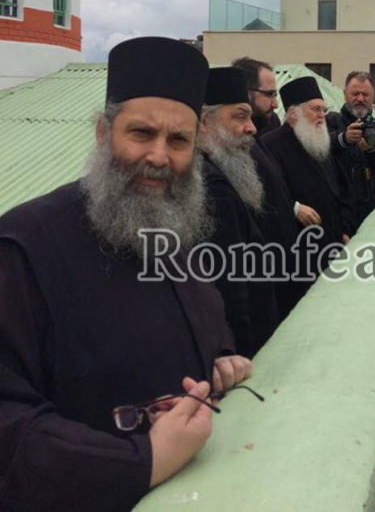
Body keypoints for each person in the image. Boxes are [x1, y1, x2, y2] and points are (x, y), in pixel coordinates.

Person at [0, 37, 252, 512]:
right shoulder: (24, 246)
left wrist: (218, 357)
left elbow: (203, 314)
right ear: (103, 133)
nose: (159, 156)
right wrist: (142, 460)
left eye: (178, 141)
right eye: (141, 133)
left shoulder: (170, 226)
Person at [199, 67, 280, 357]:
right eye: (240, 116)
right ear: (204, 122)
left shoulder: (221, 171)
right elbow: (231, 294)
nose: (252, 128)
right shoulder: (213, 188)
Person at [262, 76, 355, 294]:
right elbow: (265, 195)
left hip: (332, 246)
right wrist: (293, 208)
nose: (322, 115)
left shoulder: (320, 141)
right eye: (315, 109)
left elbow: (343, 190)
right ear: (293, 113)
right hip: (298, 256)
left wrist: (345, 228)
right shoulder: (270, 145)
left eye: (324, 109)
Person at [230, 56, 301, 316]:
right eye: (269, 94)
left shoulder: (262, 131)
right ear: (247, 93)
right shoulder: (232, 148)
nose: (276, 103)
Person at [326, 70, 375, 228]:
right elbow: (312, 151)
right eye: (355, 94)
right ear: (345, 94)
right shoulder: (329, 122)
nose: (360, 99)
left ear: (373, 96)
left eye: (365, 94)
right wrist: (342, 139)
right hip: (335, 215)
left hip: (373, 219)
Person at [232, 56, 281, 138]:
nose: (275, 105)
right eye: (269, 94)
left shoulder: (272, 121)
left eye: (275, 95)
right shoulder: (225, 125)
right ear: (246, 91)